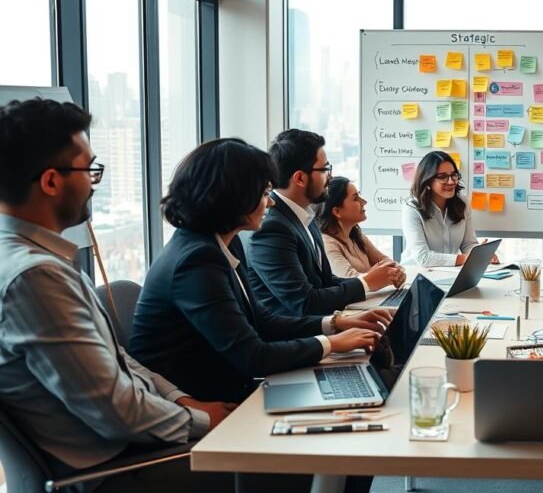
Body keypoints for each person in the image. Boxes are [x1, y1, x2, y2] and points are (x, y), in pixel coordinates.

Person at [0, 98, 233, 492]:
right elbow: (114, 410)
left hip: (131, 450)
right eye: (89, 170)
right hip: (116, 472)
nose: (94, 183)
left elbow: (116, 362)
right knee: (294, 463)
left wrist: (180, 401)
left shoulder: (35, 260)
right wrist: (206, 421)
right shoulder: (36, 278)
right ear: (51, 181)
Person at [130, 138, 390, 405]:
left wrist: (336, 324)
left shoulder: (219, 243)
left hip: (229, 387)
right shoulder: (196, 260)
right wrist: (332, 343)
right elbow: (252, 356)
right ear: (234, 196)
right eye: (265, 192)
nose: (272, 203)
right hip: (201, 406)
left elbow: (260, 320)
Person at [248, 129, 402, 316]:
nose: (330, 177)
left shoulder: (305, 216)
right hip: (296, 337)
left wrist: (377, 279)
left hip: (322, 325)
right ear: (300, 178)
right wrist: (367, 282)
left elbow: (325, 282)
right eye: (325, 169)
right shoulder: (271, 228)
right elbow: (305, 302)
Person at [401, 151, 498, 266]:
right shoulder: (412, 208)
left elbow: (468, 244)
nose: (451, 181)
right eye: (442, 177)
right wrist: (466, 259)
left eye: (453, 175)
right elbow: (423, 257)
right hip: (416, 274)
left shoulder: (463, 203)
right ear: (427, 181)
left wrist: (481, 254)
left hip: (449, 273)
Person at [319, 175, 407, 286]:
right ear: (337, 211)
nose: (364, 201)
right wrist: (386, 274)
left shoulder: (356, 234)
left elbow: (385, 261)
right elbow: (351, 282)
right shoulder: (327, 243)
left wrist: (396, 271)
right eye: (355, 198)